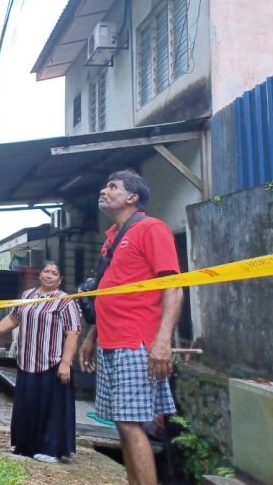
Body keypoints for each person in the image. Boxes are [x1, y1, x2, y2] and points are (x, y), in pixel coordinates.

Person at [79, 170, 184, 485]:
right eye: (105, 183)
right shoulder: (112, 237)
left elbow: (174, 287)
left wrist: (162, 341)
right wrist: (90, 336)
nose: (104, 189)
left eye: (113, 186)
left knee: (131, 424)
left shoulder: (152, 228)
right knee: (122, 425)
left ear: (132, 197)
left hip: (135, 341)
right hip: (109, 341)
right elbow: (111, 291)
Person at [0, 261, 81, 463]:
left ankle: (49, 450)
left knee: (50, 408)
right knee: (26, 406)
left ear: (60, 279)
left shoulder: (66, 301)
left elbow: (73, 333)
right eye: (46, 271)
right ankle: (23, 445)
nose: (49, 275)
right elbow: (13, 319)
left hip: (52, 362)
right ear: (40, 274)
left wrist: (66, 363)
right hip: (26, 361)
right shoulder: (27, 296)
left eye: (54, 273)